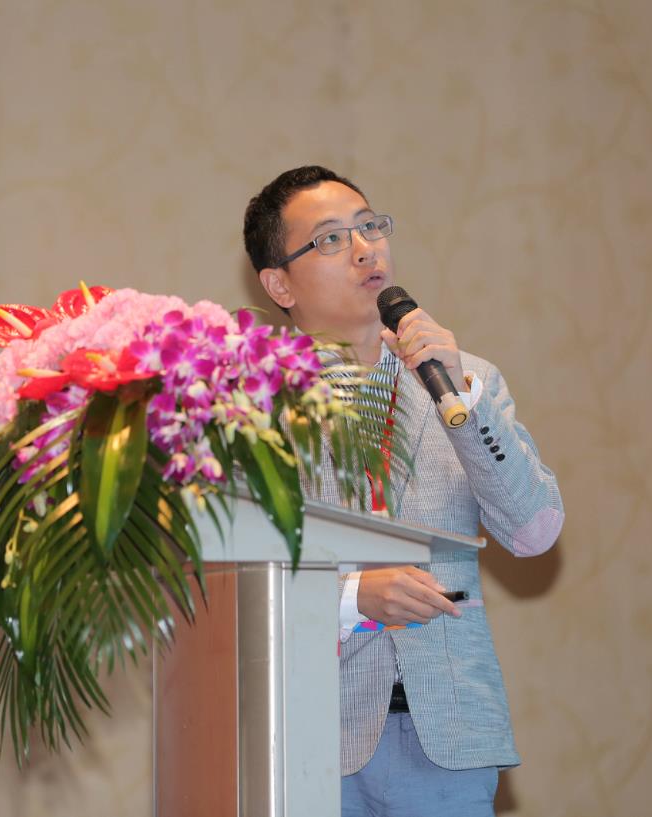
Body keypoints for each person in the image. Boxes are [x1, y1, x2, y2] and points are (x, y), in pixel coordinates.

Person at [243, 165, 564, 817]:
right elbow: (228, 579)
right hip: (310, 732)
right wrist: (351, 597)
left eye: (371, 227)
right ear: (279, 284)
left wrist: (464, 399)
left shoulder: (466, 379)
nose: (365, 249)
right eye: (331, 239)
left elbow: (534, 531)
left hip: (449, 736)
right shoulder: (250, 401)